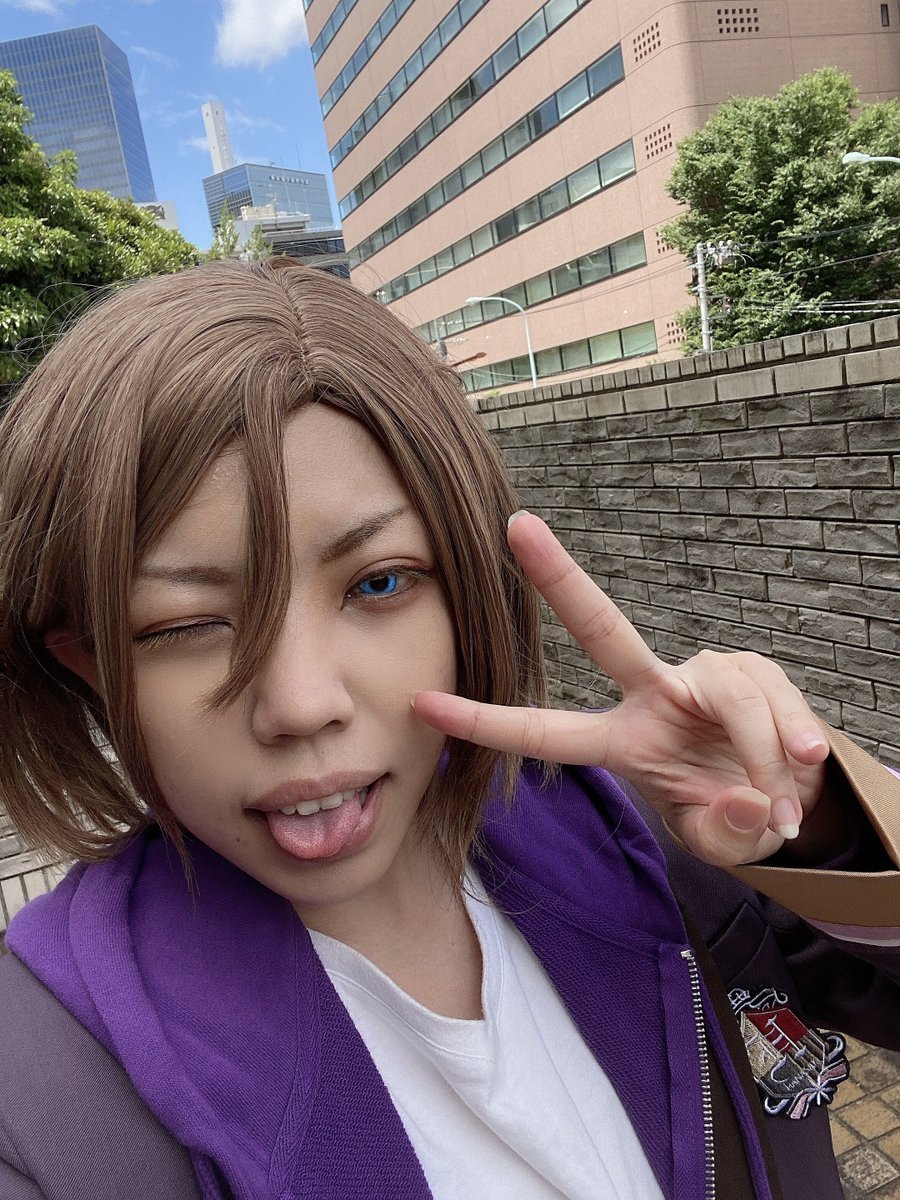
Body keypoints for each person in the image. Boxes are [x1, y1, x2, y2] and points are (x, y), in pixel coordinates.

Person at [0, 258, 897, 1200]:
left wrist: (815, 822)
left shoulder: (649, 829)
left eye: (379, 583)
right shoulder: (46, 1093)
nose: (301, 704)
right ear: (87, 661)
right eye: (183, 624)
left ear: (467, 590)